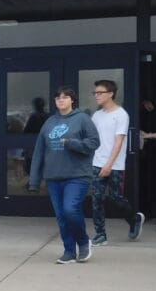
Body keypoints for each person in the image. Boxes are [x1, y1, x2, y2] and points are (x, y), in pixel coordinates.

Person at [27, 86, 101, 264]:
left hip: (77, 176)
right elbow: (39, 151)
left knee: (70, 209)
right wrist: (34, 181)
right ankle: (68, 251)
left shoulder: (82, 119)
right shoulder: (50, 122)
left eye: (65, 97)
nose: (61, 100)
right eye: (58, 97)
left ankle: (83, 242)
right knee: (61, 216)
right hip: (53, 176)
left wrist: (72, 143)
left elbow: (94, 143)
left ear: (72, 100)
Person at [89, 80, 145, 244]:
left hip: (115, 165)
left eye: (100, 93)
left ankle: (134, 219)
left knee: (116, 198)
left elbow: (119, 142)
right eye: (95, 93)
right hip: (97, 162)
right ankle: (100, 234)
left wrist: (109, 164)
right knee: (97, 199)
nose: (96, 96)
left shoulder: (121, 114)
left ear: (110, 94)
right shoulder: (96, 115)